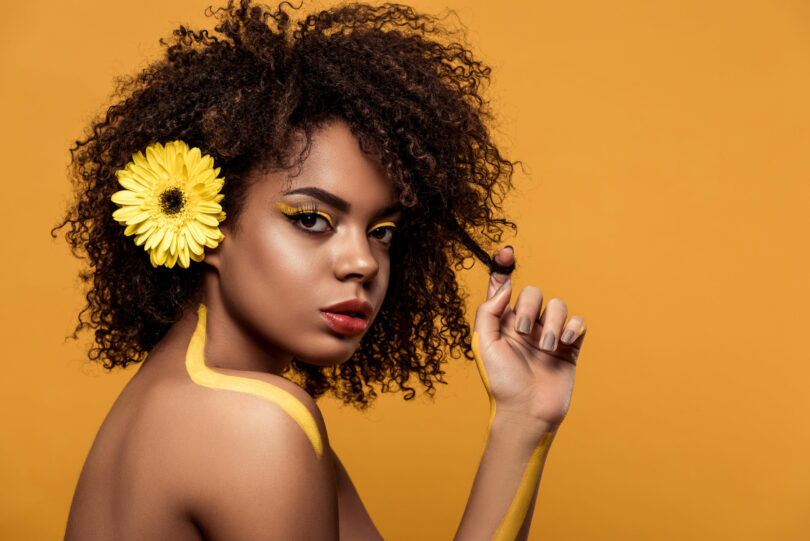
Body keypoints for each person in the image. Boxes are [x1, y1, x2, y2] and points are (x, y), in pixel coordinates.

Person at [53, 1, 587, 539]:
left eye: (382, 231)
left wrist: (524, 419)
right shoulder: (256, 425)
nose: (363, 263)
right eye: (311, 219)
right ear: (206, 223)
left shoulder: (169, 401)